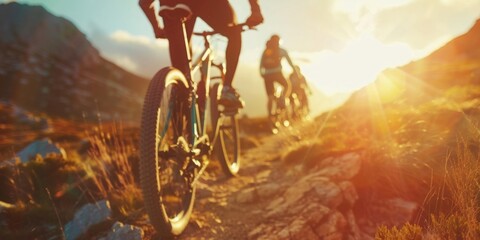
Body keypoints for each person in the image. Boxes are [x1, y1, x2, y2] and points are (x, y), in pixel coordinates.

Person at [139, 0, 263, 109]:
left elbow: (144, 2)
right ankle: (227, 89)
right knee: (234, 32)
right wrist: (255, 10)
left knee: (182, 77)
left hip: (170, 3)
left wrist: (156, 28)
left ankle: (182, 99)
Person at [259, 34, 297, 117]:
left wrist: (261, 73)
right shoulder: (281, 51)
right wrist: (294, 70)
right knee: (287, 85)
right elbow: (289, 61)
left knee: (270, 97)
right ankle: (282, 99)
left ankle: (270, 115)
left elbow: (261, 63)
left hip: (267, 75)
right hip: (277, 73)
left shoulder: (266, 51)